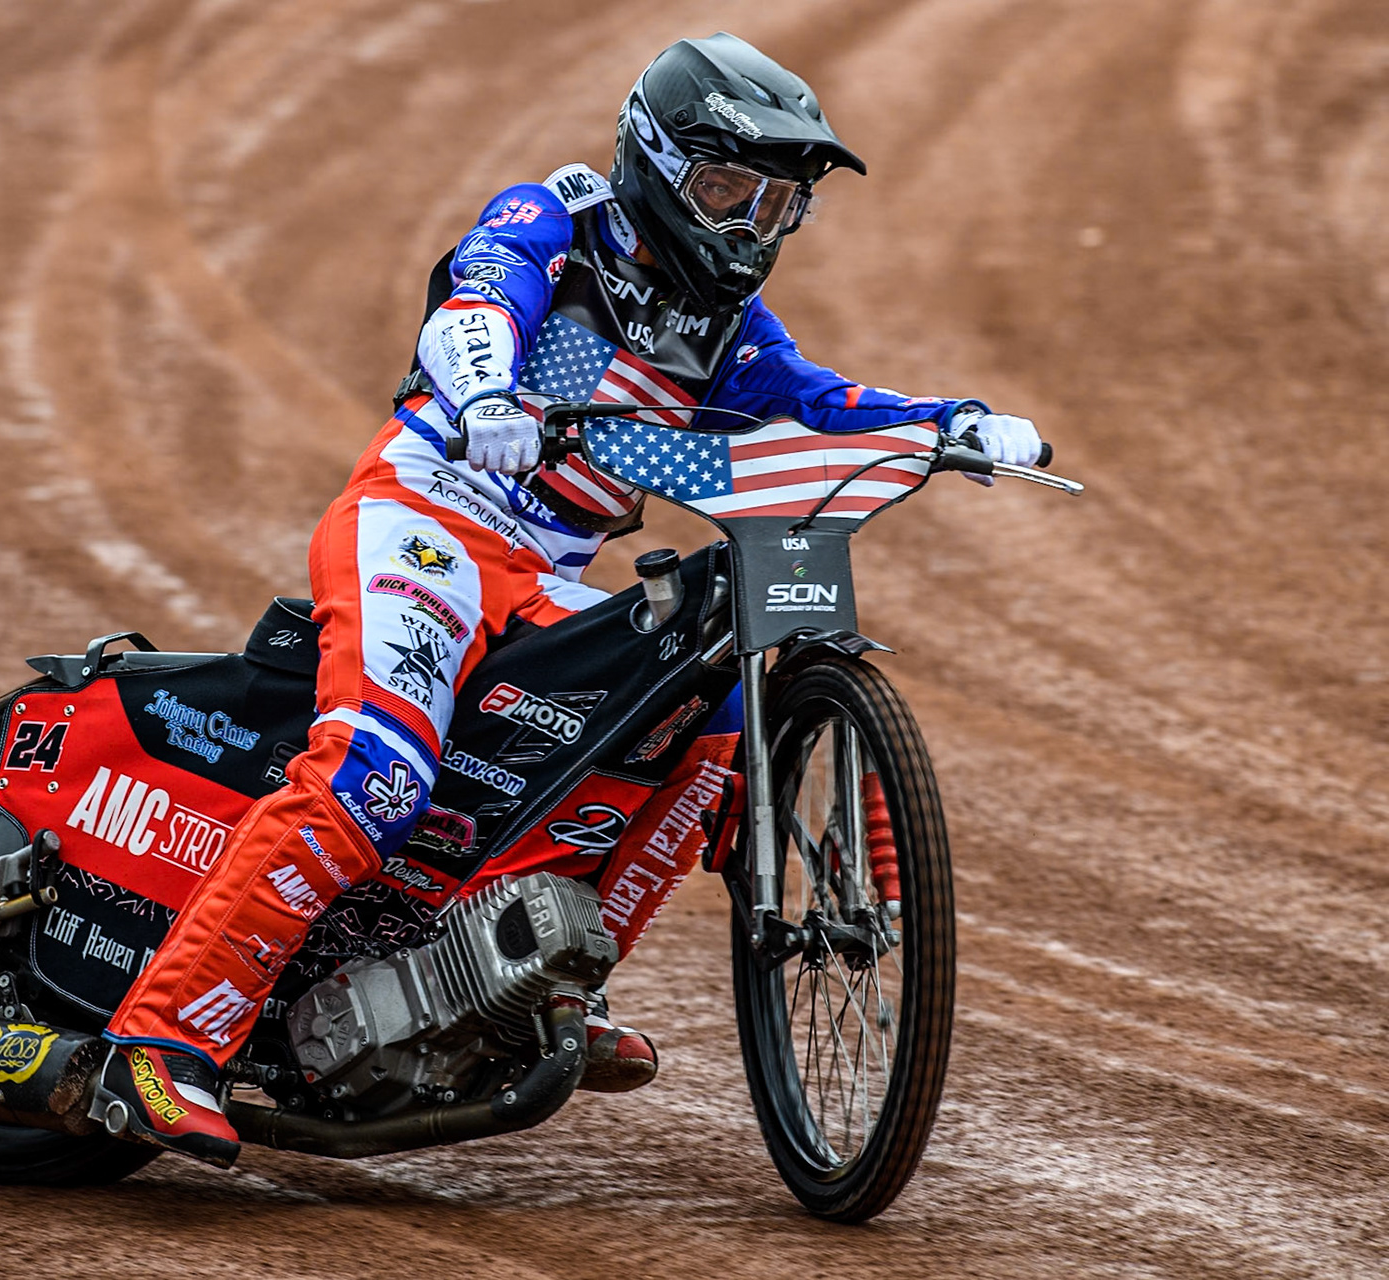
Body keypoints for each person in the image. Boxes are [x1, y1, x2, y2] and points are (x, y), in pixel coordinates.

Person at [94, 32, 1042, 1169]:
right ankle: (158, 1040)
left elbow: (815, 399)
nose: (750, 227)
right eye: (728, 191)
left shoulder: (726, 330)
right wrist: (488, 393)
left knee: (699, 717)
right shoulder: (559, 219)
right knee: (374, 772)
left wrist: (950, 423)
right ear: (656, 161)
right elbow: (479, 299)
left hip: (545, 571)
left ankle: (543, 983)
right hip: (428, 519)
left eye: (778, 205)